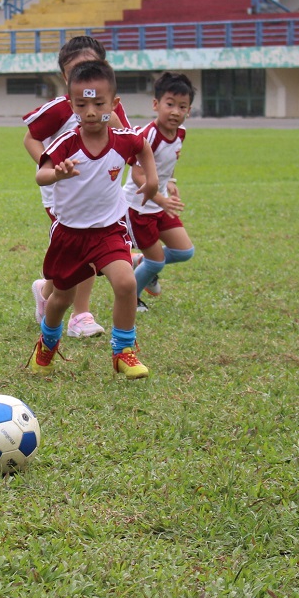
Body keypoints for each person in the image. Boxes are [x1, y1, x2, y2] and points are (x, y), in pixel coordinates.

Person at [28, 59, 158, 380]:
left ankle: (123, 352)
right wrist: (56, 172)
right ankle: (47, 342)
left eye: (98, 103)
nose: (90, 111)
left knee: (126, 283)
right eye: (81, 104)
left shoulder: (123, 138)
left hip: (108, 231)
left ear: (113, 104)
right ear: (71, 106)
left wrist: (151, 180)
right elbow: (41, 174)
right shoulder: (66, 143)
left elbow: (143, 148)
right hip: (69, 235)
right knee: (60, 299)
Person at [23, 35, 133, 339]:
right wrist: (51, 166)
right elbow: (30, 138)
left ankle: (46, 292)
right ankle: (80, 314)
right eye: (75, 72)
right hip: (64, 195)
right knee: (83, 248)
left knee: (82, 255)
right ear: (65, 77)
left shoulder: (111, 110)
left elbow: (128, 143)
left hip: (102, 195)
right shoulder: (60, 110)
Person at [126, 72, 196, 311]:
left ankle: (141, 263)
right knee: (156, 263)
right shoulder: (148, 136)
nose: (176, 111)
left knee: (184, 251)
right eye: (170, 104)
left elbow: (166, 162)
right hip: (139, 207)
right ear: (156, 104)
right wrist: (159, 198)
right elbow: (137, 175)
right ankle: (130, 300)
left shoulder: (181, 133)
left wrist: (170, 181)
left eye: (182, 106)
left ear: (189, 109)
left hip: (160, 203)